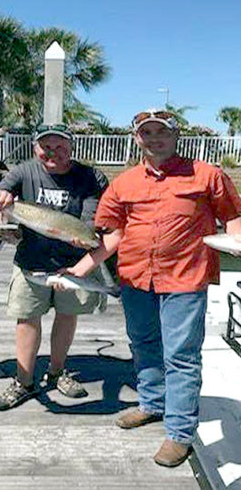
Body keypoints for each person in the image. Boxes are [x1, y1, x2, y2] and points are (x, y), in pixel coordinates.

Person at [64, 109, 241, 467]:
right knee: (143, 344)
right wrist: (80, 269)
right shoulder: (124, 183)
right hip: (135, 277)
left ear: (176, 137)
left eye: (162, 132)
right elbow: (112, 235)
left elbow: (233, 216)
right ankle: (152, 403)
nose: (155, 138)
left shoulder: (208, 175)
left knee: (180, 356)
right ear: (137, 139)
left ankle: (179, 433)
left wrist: (236, 242)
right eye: (147, 133)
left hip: (185, 278)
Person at [0, 123, 109, 411]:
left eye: (60, 146)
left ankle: (56, 372)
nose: (53, 152)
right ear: (35, 148)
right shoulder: (24, 170)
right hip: (32, 262)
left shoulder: (90, 176)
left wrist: (85, 240)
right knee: (27, 318)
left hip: (74, 263)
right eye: (46, 147)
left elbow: (91, 218)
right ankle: (23, 381)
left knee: (67, 316)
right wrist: (0, 197)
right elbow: (2, 189)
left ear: (72, 147)